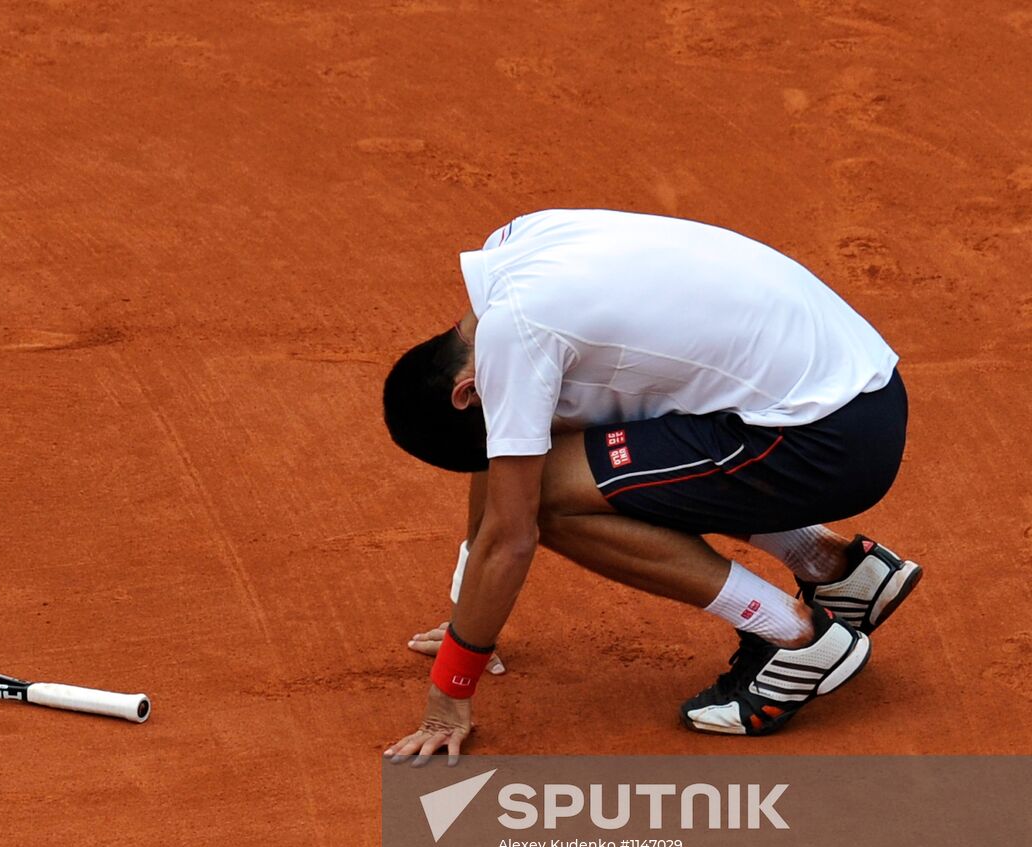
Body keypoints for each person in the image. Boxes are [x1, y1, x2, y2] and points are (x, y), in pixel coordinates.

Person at [380, 209, 921, 763]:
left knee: (546, 500)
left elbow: (511, 533)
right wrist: (469, 608)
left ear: (467, 392)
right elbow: (501, 469)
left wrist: (449, 692)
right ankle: (836, 569)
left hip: (827, 442)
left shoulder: (518, 341)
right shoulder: (512, 255)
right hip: (857, 386)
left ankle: (799, 639)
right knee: (604, 453)